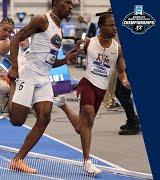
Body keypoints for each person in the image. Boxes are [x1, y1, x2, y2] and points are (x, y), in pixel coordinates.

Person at [7, 0, 76, 174]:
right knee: (17, 121)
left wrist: (65, 59)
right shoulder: (42, 20)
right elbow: (16, 38)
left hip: (44, 78)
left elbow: (50, 61)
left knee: (44, 118)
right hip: (29, 74)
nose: (71, 6)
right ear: (57, 3)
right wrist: (15, 67)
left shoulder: (59, 28)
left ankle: (18, 159)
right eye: (67, 3)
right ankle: (12, 86)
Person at [58, 12, 130, 175]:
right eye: (111, 25)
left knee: (82, 127)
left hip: (101, 89)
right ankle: (87, 161)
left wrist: (125, 81)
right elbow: (73, 57)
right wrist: (75, 52)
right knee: (88, 115)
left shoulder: (117, 48)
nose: (115, 28)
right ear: (101, 26)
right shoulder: (89, 42)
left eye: (115, 25)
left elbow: (121, 71)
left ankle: (63, 106)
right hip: (87, 83)